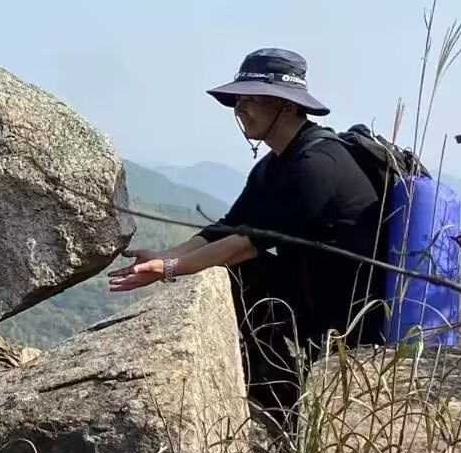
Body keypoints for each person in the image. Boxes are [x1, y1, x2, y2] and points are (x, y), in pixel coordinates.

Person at [108, 47, 387, 427]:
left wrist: (169, 269)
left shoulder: (318, 164)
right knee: (230, 274)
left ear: (287, 106)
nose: (240, 109)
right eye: (238, 100)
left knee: (238, 274)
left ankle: (283, 410)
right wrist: (164, 256)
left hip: (351, 316)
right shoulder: (275, 165)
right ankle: (277, 402)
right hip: (311, 296)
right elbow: (228, 227)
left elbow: (243, 245)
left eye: (252, 99)